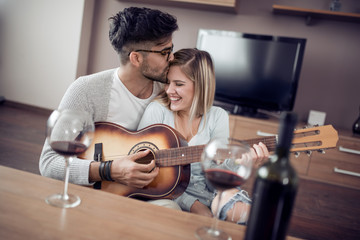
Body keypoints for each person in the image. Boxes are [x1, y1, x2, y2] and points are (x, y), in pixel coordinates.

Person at [39, 7, 181, 209]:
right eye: (165, 52)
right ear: (136, 58)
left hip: (150, 193)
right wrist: (109, 170)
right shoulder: (86, 90)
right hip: (96, 195)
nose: (172, 58)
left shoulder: (169, 93)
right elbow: (49, 162)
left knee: (173, 210)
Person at [137, 48, 269, 224]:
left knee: (246, 214)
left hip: (211, 192)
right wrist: (193, 205)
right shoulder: (157, 111)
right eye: (167, 82)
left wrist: (244, 162)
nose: (169, 90)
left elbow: (220, 170)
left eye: (179, 84)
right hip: (169, 193)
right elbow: (141, 169)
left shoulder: (218, 116)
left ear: (200, 85)